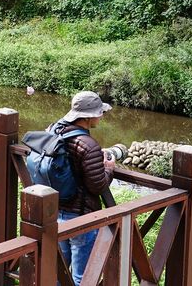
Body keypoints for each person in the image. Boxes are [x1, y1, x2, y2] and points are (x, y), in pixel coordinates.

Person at [51, 91, 115, 286]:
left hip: (56, 213)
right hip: (81, 218)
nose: (102, 116)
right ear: (89, 117)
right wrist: (108, 169)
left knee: (57, 274)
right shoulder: (88, 145)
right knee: (83, 277)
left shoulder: (55, 131)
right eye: (100, 112)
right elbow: (97, 187)